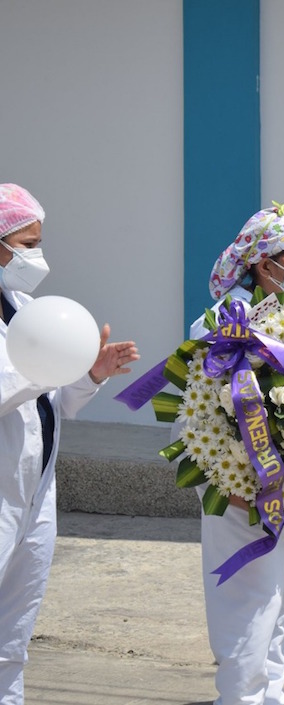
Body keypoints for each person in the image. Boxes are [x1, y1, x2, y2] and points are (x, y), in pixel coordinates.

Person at [0, 183, 139, 705]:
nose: (36, 256)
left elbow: (54, 407)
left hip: (35, 493)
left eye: (38, 242)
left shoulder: (24, 307)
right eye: (26, 244)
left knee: (14, 630)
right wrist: (41, 370)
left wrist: (90, 376)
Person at [192, 202, 284, 705]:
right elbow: (204, 410)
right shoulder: (222, 324)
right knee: (248, 596)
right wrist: (238, 482)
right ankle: (241, 696)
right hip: (241, 488)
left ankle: (273, 691)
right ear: (266, 265)